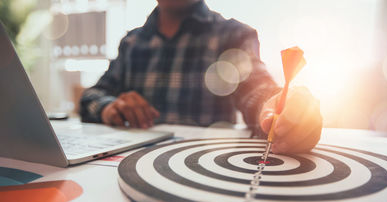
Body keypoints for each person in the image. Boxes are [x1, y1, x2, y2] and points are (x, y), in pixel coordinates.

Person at [80, 0, 322, 153]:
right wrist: (109, 107)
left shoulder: (233, 35)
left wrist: (274, 106)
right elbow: (92, 95)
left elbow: (255, 90)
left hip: (204, 171)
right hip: (127, 169)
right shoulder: (131, 42)